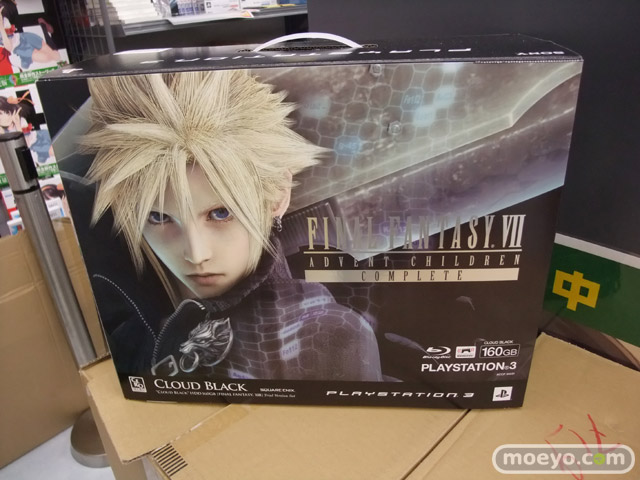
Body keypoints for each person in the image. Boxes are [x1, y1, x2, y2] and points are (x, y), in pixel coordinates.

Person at [79, 70, 383, 381]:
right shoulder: (129, 310)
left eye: (221, 213)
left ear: (278, 195)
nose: (196, 254)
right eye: (158, 217)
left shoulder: (327, 336)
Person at [1, 3, 61, 71]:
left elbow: (51, 30)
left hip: (24, 36)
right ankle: (27, 58)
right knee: (44, 56)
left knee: (55, 56)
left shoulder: (5, 19)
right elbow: (9, 46)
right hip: (18, 47)